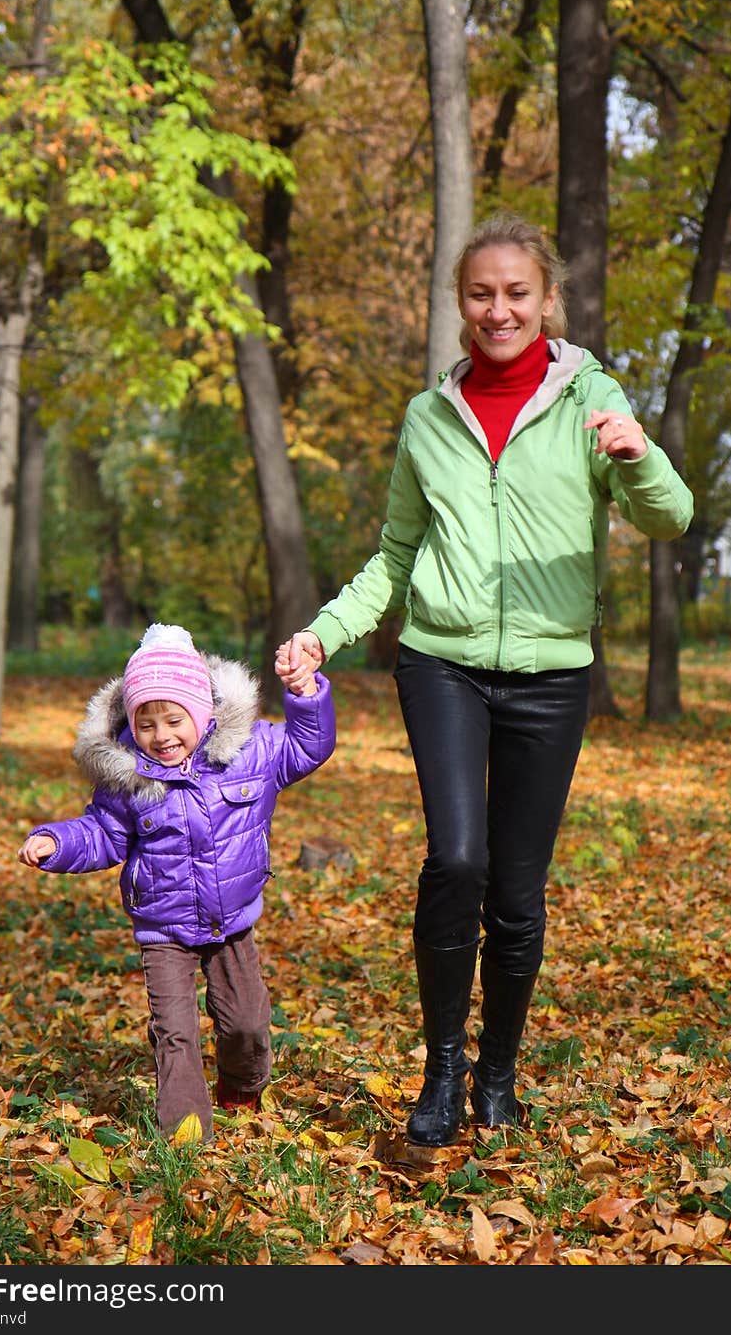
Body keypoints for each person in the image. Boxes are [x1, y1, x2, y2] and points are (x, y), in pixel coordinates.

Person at [276, 211, 693, 1148]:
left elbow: (669, 519)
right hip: (443, 665)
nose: (498, 308)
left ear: (547, 300)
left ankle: (499, 1072)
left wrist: (641, 453)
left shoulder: (593, 400)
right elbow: (394, 554)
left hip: (551, 675)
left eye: (516, 292)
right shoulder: (429, 418)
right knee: (455, 860)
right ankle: (442, 1069)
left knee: (517, 885)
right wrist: (324, 633)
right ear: (460, 303)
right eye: (481, 293)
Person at [18, 622, 335, 1144]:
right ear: (131, 726)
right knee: (176, 1033)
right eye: (146, 725)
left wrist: (305, 695)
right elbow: (102, 834)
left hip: (233, 919)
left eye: (174, 720)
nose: (161, 736)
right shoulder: (128, 779)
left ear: (202, 712)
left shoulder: (250, 752)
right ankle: (186, 1136)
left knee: (247, 1025)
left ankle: (241, 1088)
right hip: (163, 927)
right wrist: (57, 842)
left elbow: (308, 747)